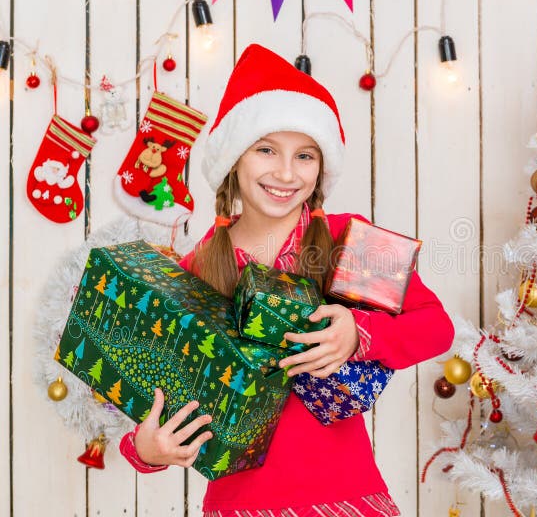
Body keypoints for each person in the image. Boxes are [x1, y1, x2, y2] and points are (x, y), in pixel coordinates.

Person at [117, 44, 455, 516]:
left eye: (305, 156)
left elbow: (436, 326)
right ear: (235, 159)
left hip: (345, 498)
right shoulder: (195, 270)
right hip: (237, 505)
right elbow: (148, 395)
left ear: (320, 170)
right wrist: (144, 451)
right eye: (266, 149)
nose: (285, 173)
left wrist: (359, 333)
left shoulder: (345, 239)